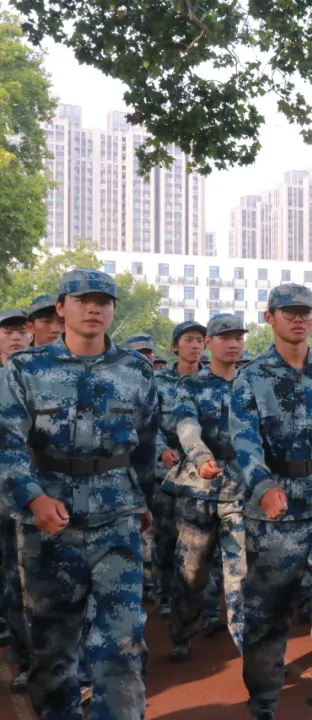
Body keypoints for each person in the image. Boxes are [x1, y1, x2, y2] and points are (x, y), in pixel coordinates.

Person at [0, 269, 159, 719]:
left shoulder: (135, 370)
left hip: (117, 518)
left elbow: (146, 443)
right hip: (49, 524)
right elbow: (6, 442)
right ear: (61, 308)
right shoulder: (26, 369)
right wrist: (32, 497)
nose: (94, 308)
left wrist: (143, 501)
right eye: (83, 299)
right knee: (53, 650)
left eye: (103, 301)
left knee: (123, 642)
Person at [230, 283, 312, 720]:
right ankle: (263, 706)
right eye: (289, 312)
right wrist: (263, 486)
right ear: (269, 318)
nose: (299, 319)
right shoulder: (252, 377)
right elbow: (244, 442)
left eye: (306, 312)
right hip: (275, 514)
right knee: (267, 619)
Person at [163, 314, 249, 661]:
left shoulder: (251, 386)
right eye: (225, 337)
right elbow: (186, 426)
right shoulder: (191, 386)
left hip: (240, 489)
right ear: (209, 343)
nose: (233, 344)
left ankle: (250, 650)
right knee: (192, 572)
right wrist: (200, 456)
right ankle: (182, 633)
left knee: (240, 573)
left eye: (238, 337)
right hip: (198, 491)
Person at [153, 320, 208, 621]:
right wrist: (162, 450)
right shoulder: (158, 382)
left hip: (204, 472)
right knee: (166, 537)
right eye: (189, 340)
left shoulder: (210, 381)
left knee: (202, 540)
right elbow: (147, 425)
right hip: (168, 470)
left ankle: (203, 604)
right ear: (175, 346)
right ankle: (163, 595)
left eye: (200, 340)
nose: (195, 345)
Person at [0, 308, 32, 693]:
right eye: (8, 331)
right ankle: (25, 657)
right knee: (11, 579)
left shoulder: (42, 377)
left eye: (22, 331)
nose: (16, 337)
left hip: (39, 494)